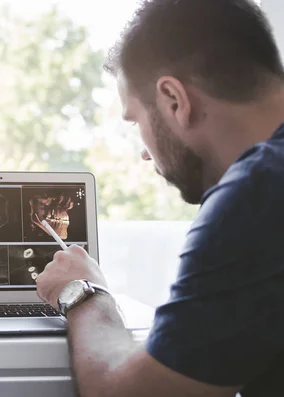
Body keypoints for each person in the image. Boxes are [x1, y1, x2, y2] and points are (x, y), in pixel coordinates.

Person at [36, 0, 284, 396]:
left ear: (174, 100)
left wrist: (83, 292)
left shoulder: (257, 192)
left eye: (135, 120)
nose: (146, 152)